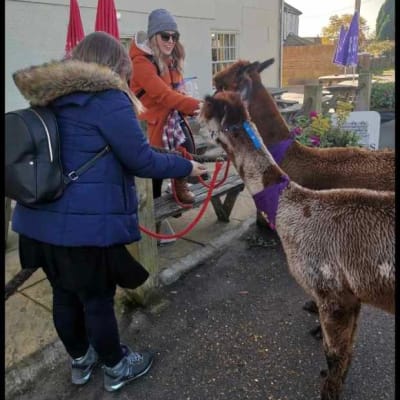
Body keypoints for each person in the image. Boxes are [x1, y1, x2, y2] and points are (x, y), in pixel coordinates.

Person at [11, 31, 207, 392]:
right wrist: (185, 168)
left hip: (38, 221)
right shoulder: (109, 99)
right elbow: (141, 159)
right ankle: (116, 367)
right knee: (97, 299)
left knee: (63, 295)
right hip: (85, 228)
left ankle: (81, 361)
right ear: (115, 65)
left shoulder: (50, 96)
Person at [129, 8, 202, 204]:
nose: (171, 40)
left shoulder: (169, 58)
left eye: (174, 36)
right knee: (153, 183)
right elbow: (164, 95)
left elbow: (175, 92)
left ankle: (180, 183)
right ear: (154, 36)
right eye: (165, 36)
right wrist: (202, 107)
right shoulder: (141, 63)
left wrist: (187, 101)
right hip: (149, 127)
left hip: (169, 122)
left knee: (185, 145)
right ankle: (153, 230)